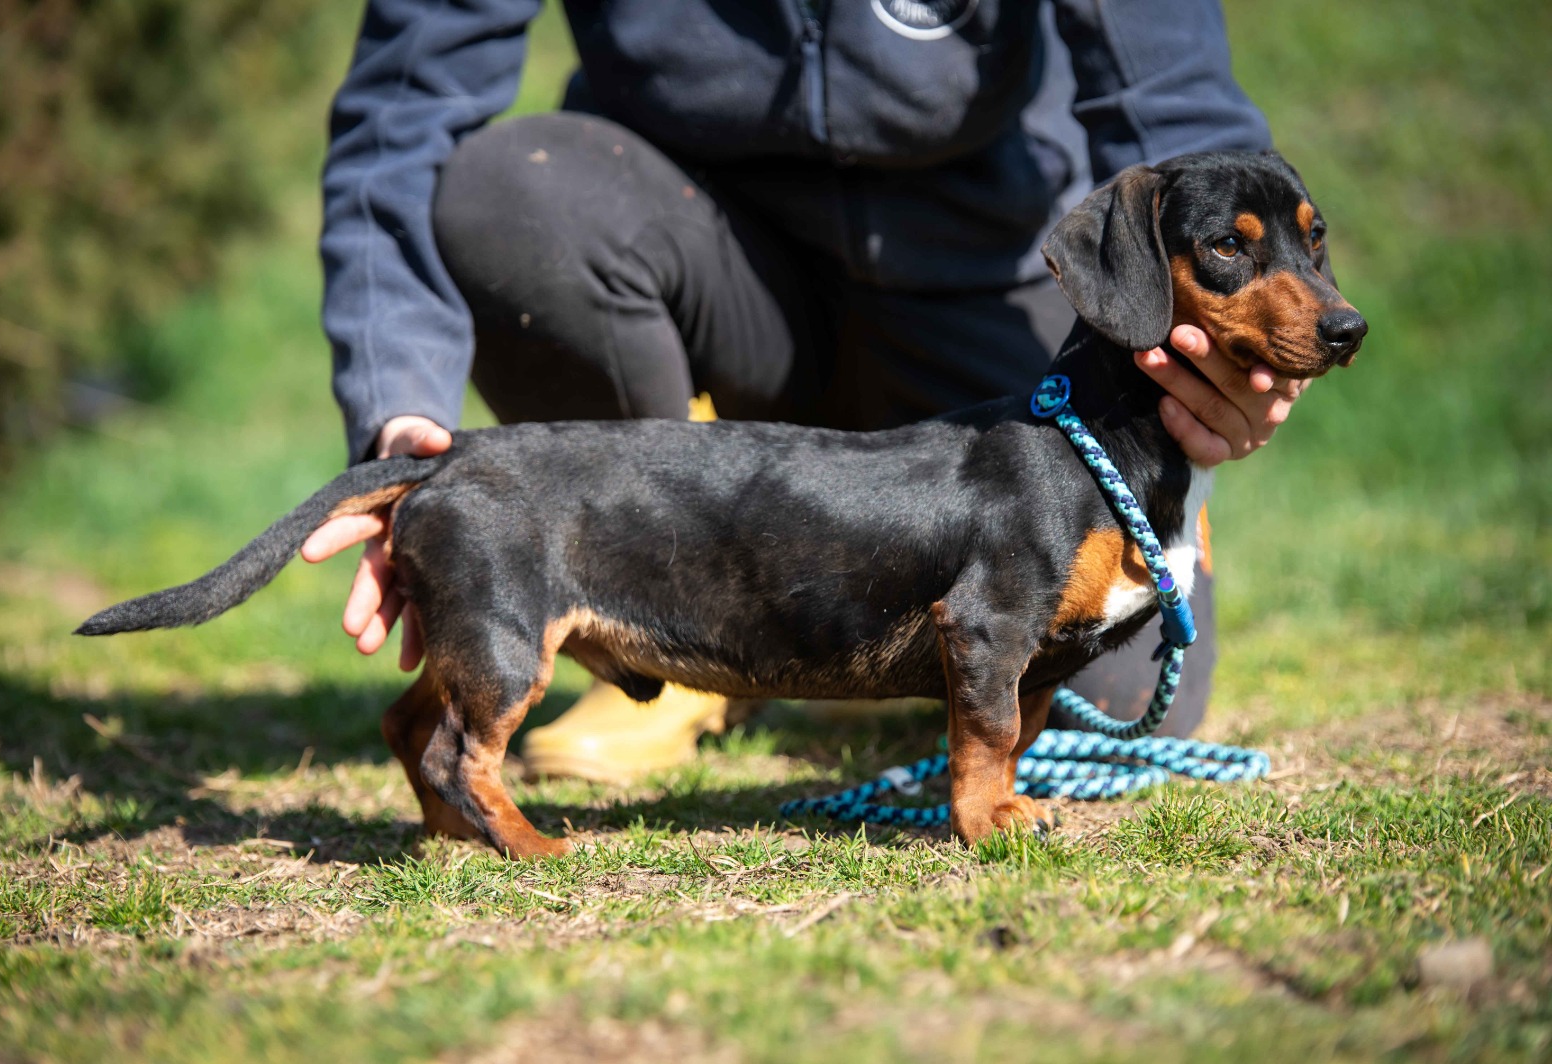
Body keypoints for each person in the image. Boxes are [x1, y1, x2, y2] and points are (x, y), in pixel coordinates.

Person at [301, 0, 1308, 783]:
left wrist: (1221, 371)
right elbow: (404, 110)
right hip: (700, 254)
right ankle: (662, 627)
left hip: (986, 291)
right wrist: (400, 401)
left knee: (1129, 708)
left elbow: (1178, 106)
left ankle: (851, 620)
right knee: (511, 191)